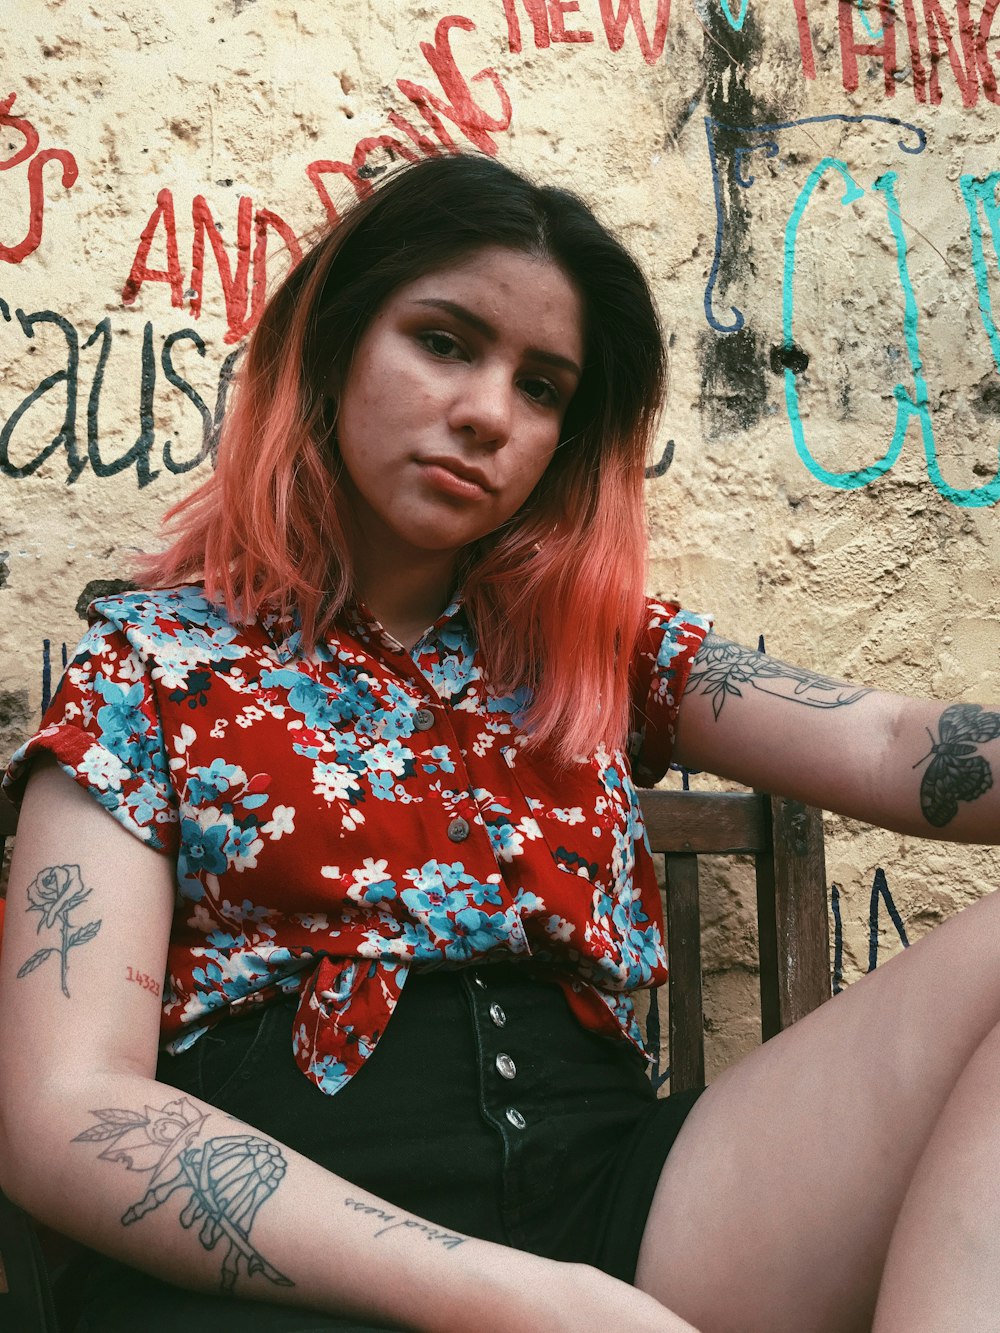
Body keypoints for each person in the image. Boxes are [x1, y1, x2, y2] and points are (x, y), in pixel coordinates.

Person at [1, 151, 1000, 1333]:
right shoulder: (153, 669)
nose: (487, 412)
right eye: (442, 340)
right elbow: (65, 1106)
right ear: (333, 345)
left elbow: (891, 740)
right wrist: (516, 1299)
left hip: (625, 1219)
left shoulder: (594, 652)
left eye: (542, 387)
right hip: (285, 1256)